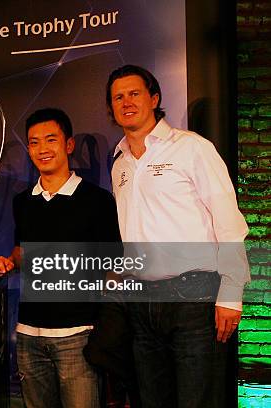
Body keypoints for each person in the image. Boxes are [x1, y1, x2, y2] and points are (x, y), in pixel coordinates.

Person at [107, 64, 249, 407]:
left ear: (154, 98)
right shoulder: (119, 162)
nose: (127, 102)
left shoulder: (191, 148)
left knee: (197, 401)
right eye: (118, 97)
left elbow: (228, 222)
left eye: (135, 93)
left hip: (194, 299)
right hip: (142, 301)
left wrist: (230, 295)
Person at [0, 108, 121, 408]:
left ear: (69, 145)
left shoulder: (97, 200)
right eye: (34, 142)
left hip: (78, 336)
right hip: (28, 336)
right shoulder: (22, 201)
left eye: (50, 139)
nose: (42, 149)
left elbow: (113, 267)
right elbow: (23, 252)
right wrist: (8, 261)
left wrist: (103, 324)